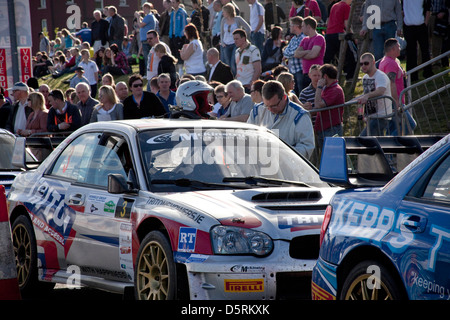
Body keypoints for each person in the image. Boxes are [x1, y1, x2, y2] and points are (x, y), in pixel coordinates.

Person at [247, 80, 315, 159]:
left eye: (274, 105)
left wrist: (281, 153)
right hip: (261, 165)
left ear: (284, 97)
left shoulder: (300, 115)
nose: (270, 109)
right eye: (266, 105)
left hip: (289, 167)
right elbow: (248, 136)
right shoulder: (257, 110)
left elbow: (307, 147)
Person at [357, 52, 393, 136]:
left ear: (373, 62)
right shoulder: (365, 78)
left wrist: (367, 96)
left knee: (363, 138)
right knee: (376, 142)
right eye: (361, 64)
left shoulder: (380, 76)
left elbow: (381, 90)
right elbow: (366, 94)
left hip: (381, 115)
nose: (363, 66)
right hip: (371, 116)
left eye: (366, 63)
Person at [312, 64, 345, 148]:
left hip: (331, 129)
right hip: (323, 128)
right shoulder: (328, 88)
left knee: (332, 156)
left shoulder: (335, 90)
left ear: (325, 77)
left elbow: (318, 104)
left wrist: (319, 87)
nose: (318, 79)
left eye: (319, 76)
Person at [324, 0, 356, 81]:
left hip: (329, 34)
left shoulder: (334, 5)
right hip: (339, 34)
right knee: (351, 55)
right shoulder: (346, 6)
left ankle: (323, 75)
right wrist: (353, 37)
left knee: (328, 58)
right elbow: (347, 24)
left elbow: (328, 21)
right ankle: (350, 77)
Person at [402, 0, 434, 81]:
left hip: (421, 25)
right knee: (410, 52)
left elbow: (428, 9)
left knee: (425, 50)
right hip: (408, 26)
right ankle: (412, 76)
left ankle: (428, 73)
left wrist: (425, 24)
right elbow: (402, 9)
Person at [295, 16, 326, 90]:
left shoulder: (319, 38)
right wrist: (308, 51)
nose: (301, 28)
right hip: (305, 73)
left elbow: (313, 55)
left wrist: (302, 54)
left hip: (316, 74)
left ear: (308, 26)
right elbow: (296, 54)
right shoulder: (304, 39)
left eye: (303, 26)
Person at [220, 4, 251, 75]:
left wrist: (241, 37)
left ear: (228, 12)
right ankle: (230, 78)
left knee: (233, 62)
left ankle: (236, 77)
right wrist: (222, 42)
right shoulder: (223, 20)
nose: (223, 13)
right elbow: (222, 33)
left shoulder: (237, 19)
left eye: (224, 12)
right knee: (227, 64)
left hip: (235, 44)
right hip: (226, 44)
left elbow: (248, 28)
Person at [283, 16, 306, 95]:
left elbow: (295, 52)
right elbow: (286, 51)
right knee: (294, 92)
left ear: (296, 26)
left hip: (300, 70)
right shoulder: (294, 39)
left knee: (301, 92)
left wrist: (289, 54)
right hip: (293, 70)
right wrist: (289, 53)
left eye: (291, 25)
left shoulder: (303, 38)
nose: (290, 27)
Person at [136, 2, 157, 71]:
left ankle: (148, 71)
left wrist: (138, 17)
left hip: (146, 39)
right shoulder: (150, 16)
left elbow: (140, 25)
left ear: (146, 8)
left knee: (147, 56)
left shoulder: (149, 16)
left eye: (143, 8)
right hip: (146, 39)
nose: (143, 10)